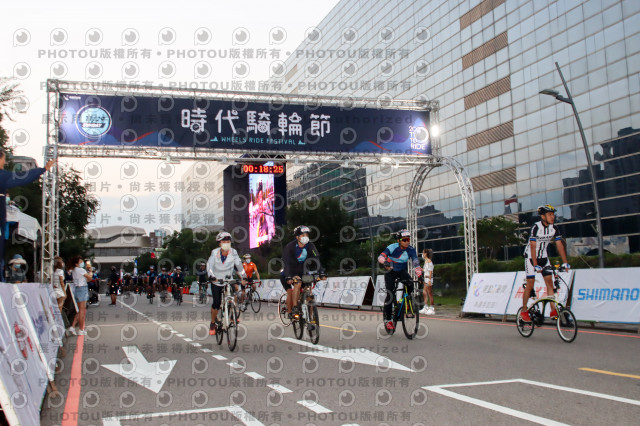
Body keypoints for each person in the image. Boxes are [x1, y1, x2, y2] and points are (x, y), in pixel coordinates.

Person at [0, 150, 55, 279]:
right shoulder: (2, 176)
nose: (5, 162)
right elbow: (22, 177)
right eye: (3, 159)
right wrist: (43, 169)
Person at [521, 205, 570, 322]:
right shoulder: (536, 227)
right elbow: (533, 247)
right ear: (543, 216)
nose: (553, 217)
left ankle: (553, 310)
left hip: (544, 257)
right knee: (530, 284)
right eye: (550, 215)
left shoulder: (554, 228)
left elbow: (559, 245)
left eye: (553, 214)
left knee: (550, 283)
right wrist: (535, 264)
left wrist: (565, 263)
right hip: (531, 258)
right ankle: (524, 310)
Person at [378, 229, 422, 331]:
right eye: (404, 240)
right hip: (390, 271)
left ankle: (403, 301)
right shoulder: (392, 247)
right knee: (390, 294)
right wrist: (385, 262)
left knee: (410, 284)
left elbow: (416, 263)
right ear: (399, 240)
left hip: (401, 271)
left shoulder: (411, 250)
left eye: (408, 239)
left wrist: (420, 275)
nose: (407, 242)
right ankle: (388, 320)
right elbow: (380, 256)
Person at [206, 231, 247, 335]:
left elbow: (239, 265)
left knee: (235, 293)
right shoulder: (214, 252)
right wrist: (211, 276)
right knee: (216, 303)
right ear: (219, 243)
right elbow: (209, 265)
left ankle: (232, 314)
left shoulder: (233, 252)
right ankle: (212, 323)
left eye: (228, 241)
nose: (226, 243)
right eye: (224, 241)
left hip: (228, 279)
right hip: (217, 280)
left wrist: (244, 276)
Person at [280, 225, 323, 318]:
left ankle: (311, 319)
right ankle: (294, 309)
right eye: (303, 235)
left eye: (307, 235)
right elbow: (286, 262)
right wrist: (289, 276)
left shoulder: (310, 245)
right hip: (289, 271)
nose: (305, 237)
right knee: (297, 284)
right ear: (297, 237)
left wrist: (321, 272)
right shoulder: (290, 247)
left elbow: (316, 259)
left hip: (302, 271)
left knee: (309, 292)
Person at [68, 255, 92, 335]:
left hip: (77, 289)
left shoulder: (74, 270)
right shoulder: (81, 270)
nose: (82, 263)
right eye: (80, 261)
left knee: (80, 310)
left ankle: (73, 327)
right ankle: (81, 329)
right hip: (82, 289)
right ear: (76, 263)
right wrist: (90, 272)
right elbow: (90, 278)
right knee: (82, 311)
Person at [419, 249, 435, 315]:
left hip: (429, 279)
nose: (422, 254)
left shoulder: (429, 261)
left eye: (423, 253)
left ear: (426, 254)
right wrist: (420, 269)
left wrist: (429, 281)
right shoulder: (426, 261)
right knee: (424, 293)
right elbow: (425, 270)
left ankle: (432, 308)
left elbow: (430, 272)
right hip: (425, 279)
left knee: (429, 293)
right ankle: (425, 307)